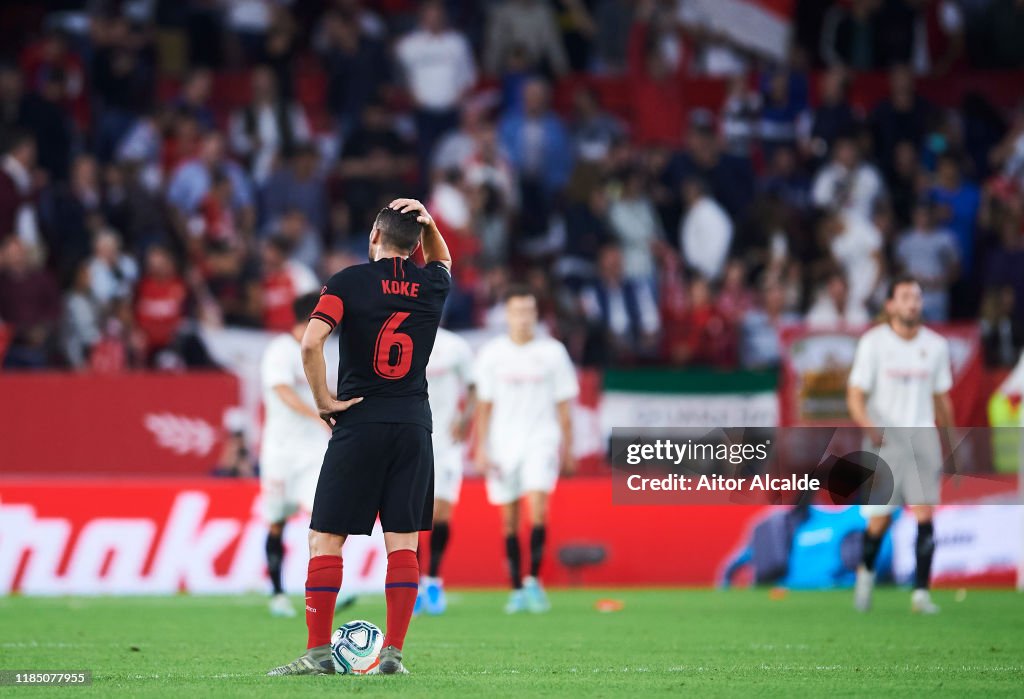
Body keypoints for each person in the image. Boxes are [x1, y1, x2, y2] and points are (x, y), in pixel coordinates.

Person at [267, 198, 451, 676]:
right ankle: (393, 653)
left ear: (373, 236)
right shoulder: (431, 283)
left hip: (359, 423)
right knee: (403, 544)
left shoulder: (347, 282)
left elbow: (311, 341)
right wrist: (428, 223)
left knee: (325, 539)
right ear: (415, 246)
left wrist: (323, 399)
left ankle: (318, 653)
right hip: (413, 424)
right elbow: (444, 260)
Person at [847, 275, 955, 615]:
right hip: (886, 440)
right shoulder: (873, 343)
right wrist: (868, 426)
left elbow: (941, 398)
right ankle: (865, 575)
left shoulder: (936, 346)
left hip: (923, 437)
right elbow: (855, 394)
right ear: (891, 304)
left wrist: (953, 441)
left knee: (925, 515)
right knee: (879, 521)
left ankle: (921, 595)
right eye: (906, 296)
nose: (913, 303)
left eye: (917, 297)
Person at [472, 286, 578, 614]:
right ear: (507, 315)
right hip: (503, 444)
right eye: (517, 311)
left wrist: (569, 449)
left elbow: (564, 406)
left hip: (541, 439)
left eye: (529, 312)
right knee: (509, 520)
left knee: (539, 508)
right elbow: (484, 406)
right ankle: (517, 587)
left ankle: (533, 581)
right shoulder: (492, 354)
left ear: (536, 315)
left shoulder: (553, 353)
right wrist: (479, 448)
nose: (523, 318)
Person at [259, 292, 329, 618]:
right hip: (280, 452)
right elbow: (282, 390)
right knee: (277, 521)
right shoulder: (280, 351)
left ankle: (318, 589)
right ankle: (276, 593)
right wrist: (317, 413)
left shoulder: (323, 352)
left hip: (313, 451)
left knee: (322, 518)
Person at [416, 326, 476, 615]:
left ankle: (433, 581)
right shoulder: (401, 336)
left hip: (447, 442)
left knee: (442, 512)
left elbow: (475, 386)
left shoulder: (455, 345)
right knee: (410, 515)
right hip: (412, 438)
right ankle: (412, 585)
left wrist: (465, 419)